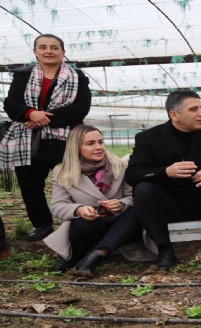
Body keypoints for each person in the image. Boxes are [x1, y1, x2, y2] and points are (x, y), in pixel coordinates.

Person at [126, 90, 201, 270]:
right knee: (143, 188)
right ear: (174, 115)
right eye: (194, 109)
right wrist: (165, 172)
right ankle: (165, 248)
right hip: (168, 205)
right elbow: (133, 174)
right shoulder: (149, 138)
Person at [1, 34, 91, 242]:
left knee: (71, 181)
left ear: (63, 52)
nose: (48, 51)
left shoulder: (77, 76)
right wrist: (30, 114)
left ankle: (78, 220)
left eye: (54, 47)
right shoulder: (22, 75)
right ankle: (42, 225)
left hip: (63, 139)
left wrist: (44, 119)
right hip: (27, 139)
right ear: (35, 52)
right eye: (42, 47)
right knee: (30, 184)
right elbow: (11, 104)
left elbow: (80, 108)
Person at [44, 125, 153, 277]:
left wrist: (121, 204)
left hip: (119, 225)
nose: (98, 147)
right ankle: (78, 255)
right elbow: (57, 206)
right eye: (90, 143)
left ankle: (94, 256)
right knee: (81, 224)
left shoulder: (120, 166)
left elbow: (133, 196)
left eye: (100, 142)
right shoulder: (62, 172)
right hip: (91, 226)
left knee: (136, 213)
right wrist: (79, 209)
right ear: (76, 147)